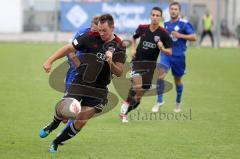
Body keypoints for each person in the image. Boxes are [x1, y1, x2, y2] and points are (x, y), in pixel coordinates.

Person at [39, 14, 126, 152]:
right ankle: (53, 124)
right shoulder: (91, 36)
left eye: (104, 30)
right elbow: (69, 48)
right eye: (100, 30)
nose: (101, 33)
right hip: (80, 82)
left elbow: (119, 72)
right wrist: (50, 60)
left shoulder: (120, 46)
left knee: (81, 121)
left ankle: (56, 142)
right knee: (66, 109)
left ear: (112, 28)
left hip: (99, 89)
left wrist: (110, 62)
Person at [119, 6, 173, 123]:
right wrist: (133, 49)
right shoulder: (142, 28)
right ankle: (126, 103)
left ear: (161, 18)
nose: (155, 17)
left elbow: (170, 51)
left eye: (157, 16)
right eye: (153, 15)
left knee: (139, 97)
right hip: (137, 61)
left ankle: (125, 113)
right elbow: (134, 38)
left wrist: (162, 48)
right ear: (150, 16)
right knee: (137, 85)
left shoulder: (164, 33)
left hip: (151, 65)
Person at [152, 1, 197, 113]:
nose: (173, 11)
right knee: (160, 75)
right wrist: (159, 42)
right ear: (169, 10)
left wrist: (180, 35)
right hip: (166, 54)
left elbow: (194, 37)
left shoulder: (184, 24)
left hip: (179, 57)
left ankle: (178, 101)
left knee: (178, 81)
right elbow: (159, 37)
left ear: (179, 11)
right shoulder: (165, 23)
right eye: (172, 9)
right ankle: (159, 101)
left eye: (176, 9)